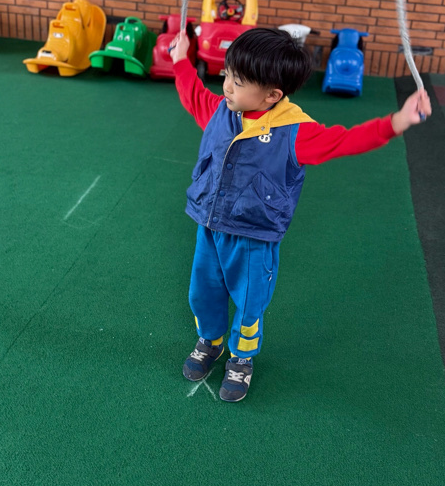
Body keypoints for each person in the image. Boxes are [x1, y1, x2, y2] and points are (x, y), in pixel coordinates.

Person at [170, 26, 431, 403]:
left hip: (254, 237)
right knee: (203, 291)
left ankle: (242, 357)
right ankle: (210, 341)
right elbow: (192, 92)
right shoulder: (219, 111)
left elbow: (345, 141)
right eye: (227, 74)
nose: (226, 86)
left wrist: (396, 122)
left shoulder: (296, 132)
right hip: (209, 227)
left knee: (250, 302)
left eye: (238, 82)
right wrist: (180, 59)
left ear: (272, 95)